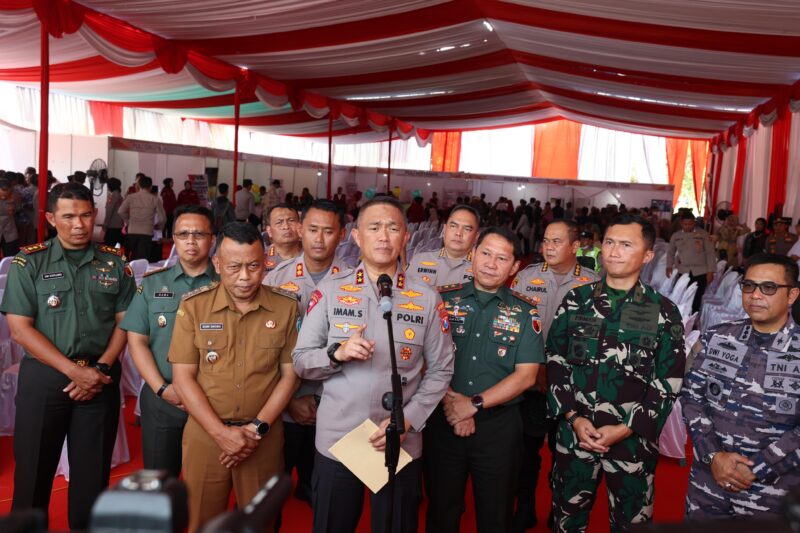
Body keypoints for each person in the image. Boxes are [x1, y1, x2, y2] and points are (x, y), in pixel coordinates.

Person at [292, 196, 454, 533]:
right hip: (339, 437)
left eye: (393, 228)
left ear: (405, 238)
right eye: (374, 228)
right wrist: (335, 354)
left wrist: (408, 419)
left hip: (399, 438)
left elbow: (441, 369)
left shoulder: (425, 297)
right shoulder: (332, 291)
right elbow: (301, 360)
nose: (384, 237)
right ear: (356, 236)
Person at [0, 182, 136, 530]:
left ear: (96, 215)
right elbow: (20, 329)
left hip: (99, 377)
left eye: (86, 215)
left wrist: (102, 367)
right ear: (50, 218)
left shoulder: (114, 261)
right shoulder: (28, 261)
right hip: (46, 378)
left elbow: (127, 322)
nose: (79, 224)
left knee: (92, 476)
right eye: (69, 216)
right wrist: (73, 372)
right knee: (32, 473)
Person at [547, 214, 686, 532]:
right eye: (609, 242)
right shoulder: (576, 301)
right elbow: (556, 360)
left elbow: (667, 383)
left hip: (632, 445)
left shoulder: (663, 311)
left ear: (647, 255)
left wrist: (625, 428)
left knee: (631, 524)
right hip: (575, 438)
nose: (613, 251)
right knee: (566, 523)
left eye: (626, 245)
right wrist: (573, 417)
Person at [169, 222, 299, 532]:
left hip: (262, 438)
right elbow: (183, 378)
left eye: (254, 266)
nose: (244, 276)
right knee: (202, 520)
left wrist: (256, 429)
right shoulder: (194, 308)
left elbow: (290, 376)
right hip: (206, 436)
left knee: (261, 523)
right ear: (217, 264)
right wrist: (220, 434)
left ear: (265, 261)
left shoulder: (285, 308)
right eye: (234, 267)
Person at [424, 227, 542, 533]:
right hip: (443, 420)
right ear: (472, 255)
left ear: (515, 267)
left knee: (496, 514)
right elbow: (421, 358)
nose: (491, 263)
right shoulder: (440, 300)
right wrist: (454, 405)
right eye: (486, 253)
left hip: (498, 427)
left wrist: (473, 404)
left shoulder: (525, 311)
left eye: (502, 258)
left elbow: (527, 375)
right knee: (441, 509)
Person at [682, 253, 800, 521]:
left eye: (768, 288)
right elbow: (691, 397)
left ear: (792, 295)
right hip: (708, 483)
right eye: (749, 286)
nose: (755, 295)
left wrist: (757, 468)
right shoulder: (719, 337)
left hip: (771, 493)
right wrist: (713, 456)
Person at [509, 219, 600, 530]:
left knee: (565, 459)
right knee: (525, 455)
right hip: (530, 384)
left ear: (575, 247)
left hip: (570, 389)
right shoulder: (525, 278)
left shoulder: (593, 284)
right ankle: (524, 508)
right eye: (545, 240)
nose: (547, 246)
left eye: (556, 241)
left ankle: (559, 511)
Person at [120, 205, 218, 477]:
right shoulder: (152, 284)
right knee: (159, 480)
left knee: (208, 481)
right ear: (172, 238)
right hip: (164, 398)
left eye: (199, 234)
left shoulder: (229, 285)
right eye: (183, 233)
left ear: (213, 238)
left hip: (216, 398)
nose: (190, 240)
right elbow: (136, 341)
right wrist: (162, 389)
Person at [407, 204, 480, 286]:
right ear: (444, 229)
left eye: (467, 229)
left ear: (476, 237)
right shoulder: (420, 259)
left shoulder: (482, 270)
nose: (458, 233)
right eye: (453, 226)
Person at [666, 211, 717, 314]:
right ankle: (682, 315)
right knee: (682, 294)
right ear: (681, 223)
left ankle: (693, 316)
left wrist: (711, 271)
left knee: (697, 296)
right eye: (685, 224)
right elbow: (670, 252)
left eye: (690, 224)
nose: (688, 226)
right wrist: (669, 266)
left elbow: (710, 253)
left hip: (700, 271)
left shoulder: (703, 234)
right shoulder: (676, 236)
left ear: (694, 223)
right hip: (684, 270)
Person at [119, 175, 166, 261]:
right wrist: (159, 226)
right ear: (150, 186)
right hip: (146, 232)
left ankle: (130, 273)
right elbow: (162, 218)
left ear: (139, 185)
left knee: (133, 256)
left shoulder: (131, 197)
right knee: (142, 259)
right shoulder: (155, 199)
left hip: (132, 231)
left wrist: (129, 222)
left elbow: (121, 211)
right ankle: (137, 273)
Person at [264, 203, 302, 272]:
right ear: (269, 231)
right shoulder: (261, 258)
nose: (286, 227)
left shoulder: (312, 255)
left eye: (291, 221)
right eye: (279, 222)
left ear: (300, 226)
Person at [0, 178, 20, 257]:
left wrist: (15, 209)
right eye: (1, 195)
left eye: (6, 195)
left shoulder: (14, 196)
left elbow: (19, 208)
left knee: (11, 255)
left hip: (9, 231)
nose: (3, 198)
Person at [103, 178, 125, 248]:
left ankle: (109, 259)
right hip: (119, 225)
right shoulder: (119, 195)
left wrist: (105, 224)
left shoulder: (113, 196)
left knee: (109, 247)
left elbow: (109, 211)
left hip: (112, 225)